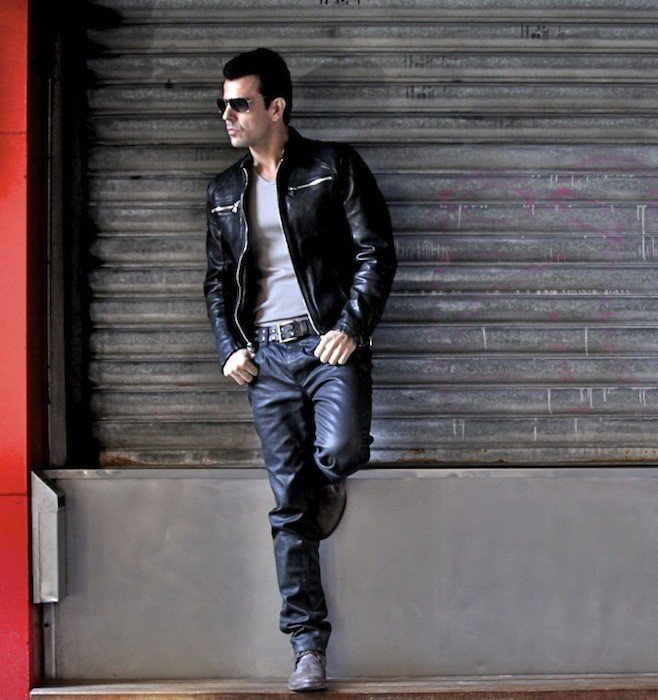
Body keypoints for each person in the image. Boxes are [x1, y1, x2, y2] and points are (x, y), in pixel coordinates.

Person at [203, 47, 396, 691]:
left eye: (240, 104)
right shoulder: (224, 191)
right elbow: (216, 281)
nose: (227, 115)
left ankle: (326, 483)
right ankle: (307, 647)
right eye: (223, 104)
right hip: (265, 359)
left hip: (325, 345)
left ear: (276, 107)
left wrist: (352, 326)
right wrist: (230, 346)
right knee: (288, 507)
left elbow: (375, 251)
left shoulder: (333, 166)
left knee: (341, 452)